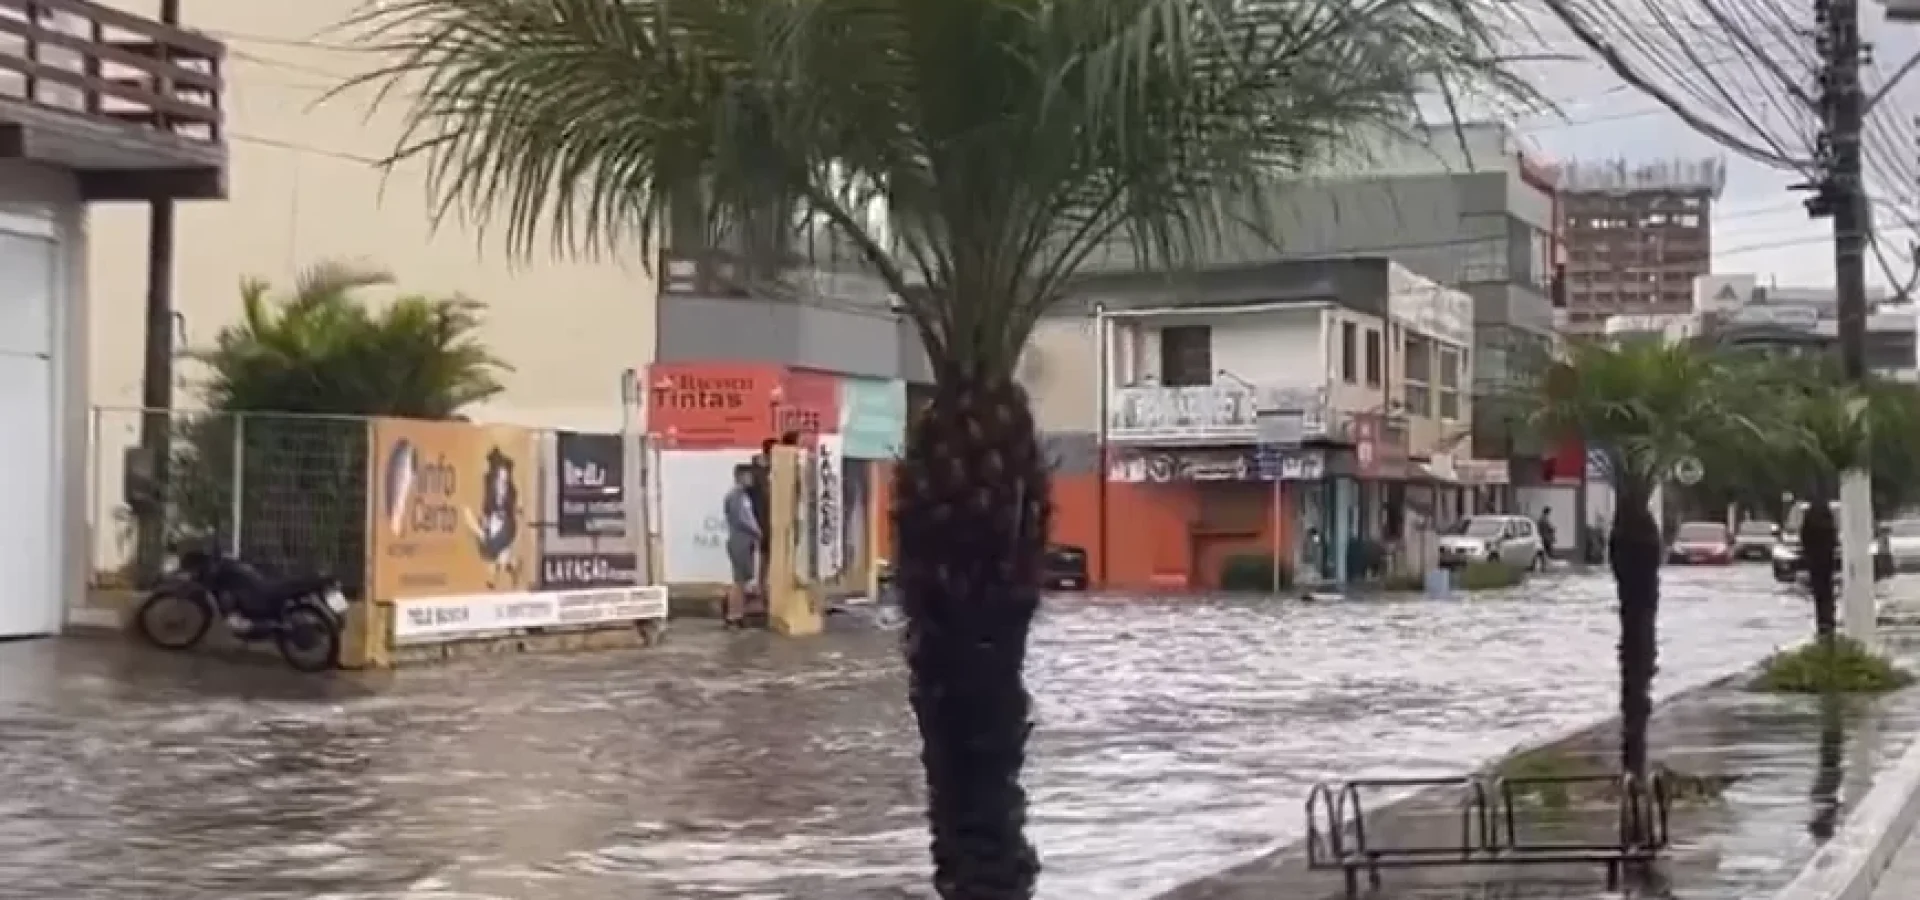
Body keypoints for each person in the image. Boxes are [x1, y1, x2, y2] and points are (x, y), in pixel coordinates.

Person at [722, 463, 762, 628]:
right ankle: (734, 615)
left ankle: (738, 613)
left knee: (743, 580)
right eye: (748, 476)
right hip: (740, 541)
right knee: (739, 580)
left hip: (744, 540)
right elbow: (743, 519)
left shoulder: (740, 495)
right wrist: (757, 531)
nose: (751, 479)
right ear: (740, 477)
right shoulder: (737, 496)